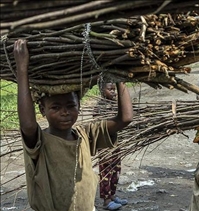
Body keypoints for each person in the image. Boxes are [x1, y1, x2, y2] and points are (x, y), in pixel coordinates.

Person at [14, 39, 134, 211]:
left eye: (71, 106)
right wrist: (22, 70)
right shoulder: (40, 142)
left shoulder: (86, 134)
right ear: (42, 109)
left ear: (79, 104)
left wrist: (119, 77)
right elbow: (27, 125)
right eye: (56, 107)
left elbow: (125, 119)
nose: (65, 112)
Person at [95, 82, 128, 210]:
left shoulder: (115, 105)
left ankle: (113, 195)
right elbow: (98, 126)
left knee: (116, 170)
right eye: (110, 89)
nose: (113, 92)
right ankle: (106, 201)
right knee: (106, 172)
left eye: (114, 89)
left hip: (115, 143)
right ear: (103, 91)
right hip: (105, 144)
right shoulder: (100, 107)